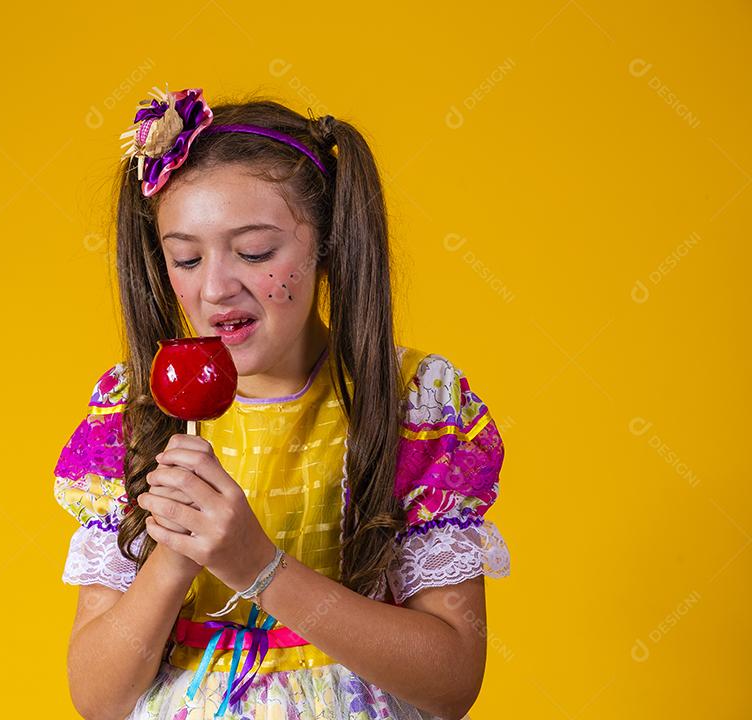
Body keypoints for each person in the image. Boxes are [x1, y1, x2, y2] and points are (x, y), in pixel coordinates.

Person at [53, 85, 511, 720]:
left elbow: (451, 681)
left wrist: (259, 566)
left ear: (326, 245)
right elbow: (98, 699)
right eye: (185, 257)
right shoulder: (134, 412)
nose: (214, 287)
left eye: (255, 252)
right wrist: (179, 552)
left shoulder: (412, 403)